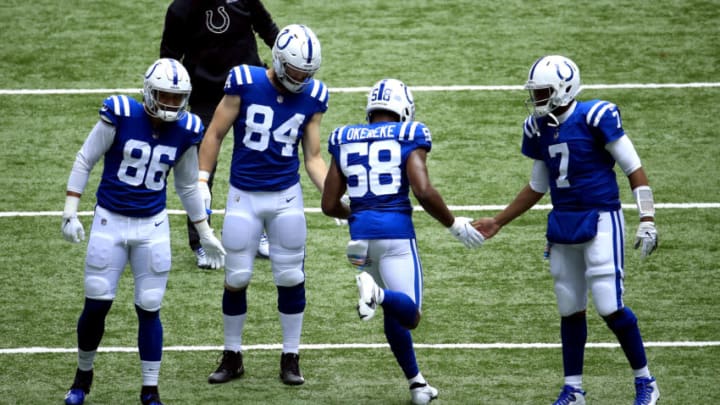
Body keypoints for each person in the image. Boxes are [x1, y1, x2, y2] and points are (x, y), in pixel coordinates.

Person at [473, 55, 660, 405]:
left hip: (601, 216)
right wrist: (498, 221)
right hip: (562, 223)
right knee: (569, 307)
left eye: (543, 91)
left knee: (609, 305)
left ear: (564, 89)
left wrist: (646, 218)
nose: (537, 99)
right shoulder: (537, 126)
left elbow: (633, 168)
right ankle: (573, 389)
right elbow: (537, 185)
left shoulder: (595, 116)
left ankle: (646, 381)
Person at [60, 58, 226, 405]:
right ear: (149, 92)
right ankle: (81, 378)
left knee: (150, 307)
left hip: (152, 226)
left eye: (175, 97)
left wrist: (205, 231)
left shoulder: (187, 128)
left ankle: (150, 391)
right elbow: (85, 158)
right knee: (96, 304)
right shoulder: (120, 112)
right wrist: (70, 211)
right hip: (110, 221)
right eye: (163, 95)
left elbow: (188, 187)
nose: (169, 103)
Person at [321, 78, 485, 405]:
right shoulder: (409, 134)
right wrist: (453, 224)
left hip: (360, 237)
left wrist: (355, 213)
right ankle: (376, 292)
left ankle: (417, 385)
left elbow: (328, 205)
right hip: (395, 235)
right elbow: (422, 191)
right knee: (410, 315)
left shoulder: (344, 137)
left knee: (392, 314)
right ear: (404, 110)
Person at [198, 24, 329, 386]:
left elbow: (314, 158)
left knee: (290, 277)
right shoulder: (244, 81)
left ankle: (291, 355)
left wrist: (334, 193)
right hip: (244, 195)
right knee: (236, 277)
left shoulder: (314, 95)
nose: (302, 79)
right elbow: (215, 133)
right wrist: (202, 180)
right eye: (297, 71)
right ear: (279, 61)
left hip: (286, 198)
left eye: (308, 73)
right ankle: (232, 354)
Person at [160, 0, 279, 268]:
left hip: (250, 88)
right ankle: (202, 239)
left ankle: (258, 231)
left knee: (257, 160)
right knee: (200, 171)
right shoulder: (181, 7)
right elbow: (168, 59)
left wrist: (286, 60)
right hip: (204, 95)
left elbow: (267, 28)